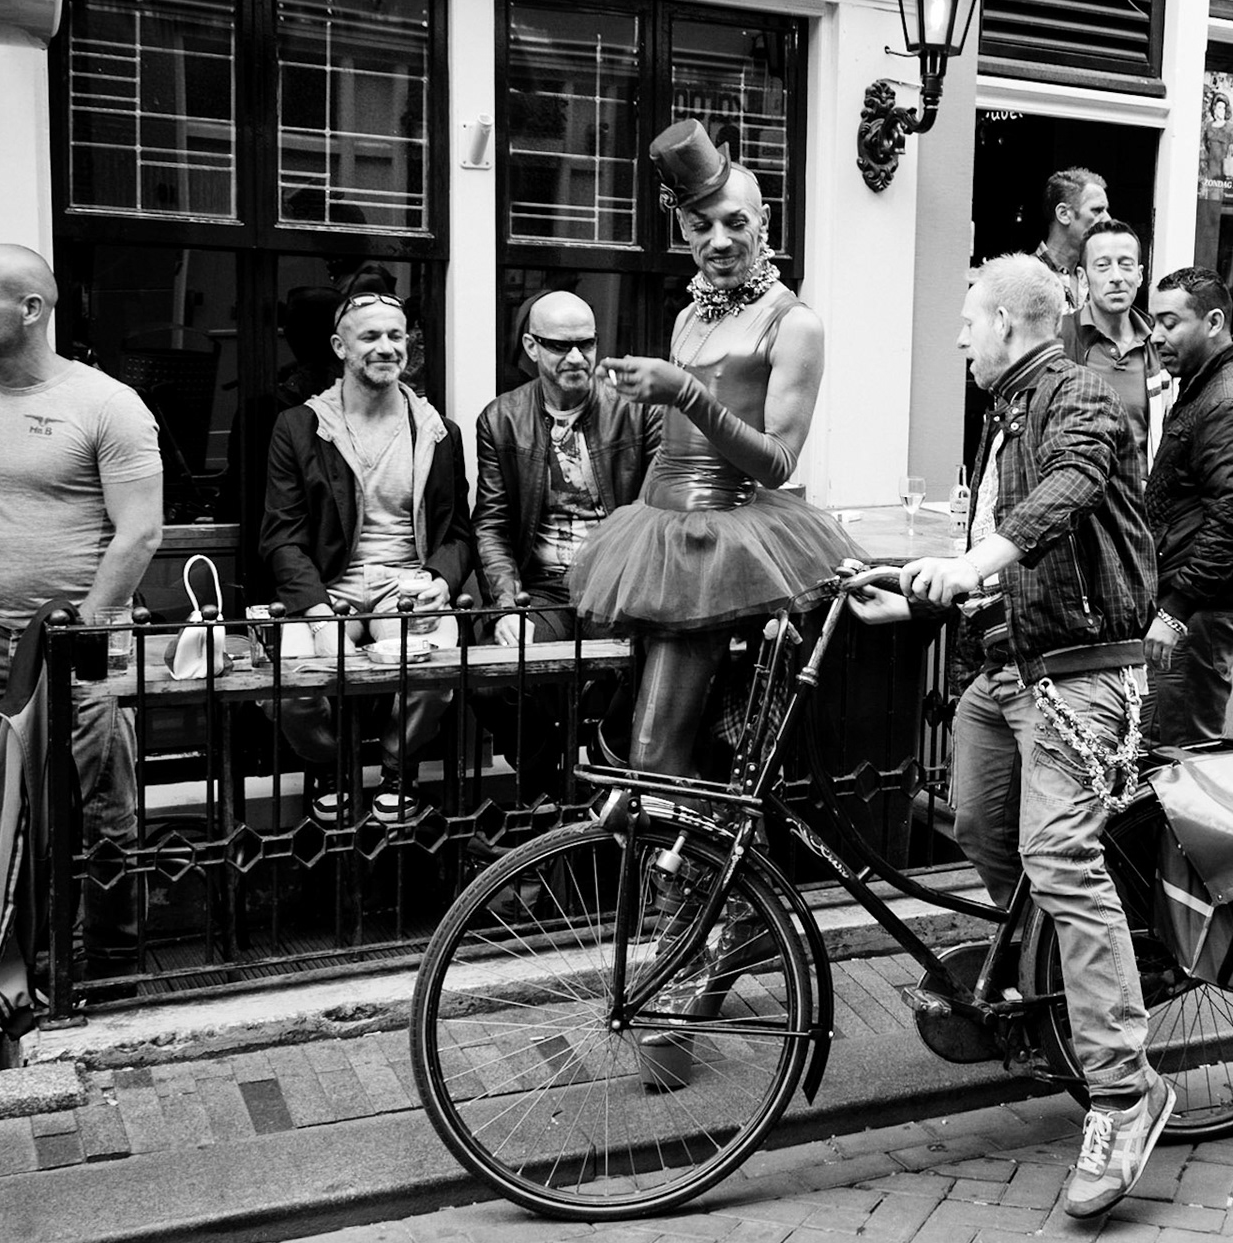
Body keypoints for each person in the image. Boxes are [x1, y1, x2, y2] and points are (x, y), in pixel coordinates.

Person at [855, 252, 1172, 1220]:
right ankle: (1057, 981)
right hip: (1008, 670)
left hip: (1080, 676)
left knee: (1059, 858)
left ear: (1008, 323)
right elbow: (1008, 550)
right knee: (980, 825)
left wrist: (978, 559)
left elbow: (1068, 491)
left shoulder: (1075, 395)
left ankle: (1123, 1087)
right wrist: (915, 586)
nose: (957, 338)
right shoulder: (1004, 414)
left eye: (967, 322)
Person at [0, 243, 164, 1032]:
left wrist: (85, 626)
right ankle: (28, 976)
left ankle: (109, 977)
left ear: (33, 310)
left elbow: (141, 532)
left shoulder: (107, 405)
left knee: (103, 812)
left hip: (89, 642)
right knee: (13, 811)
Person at [574, 119, 857, 779]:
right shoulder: (688, 316)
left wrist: (685, 393)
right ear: (683, 232)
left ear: (765, 223)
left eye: (734, 222)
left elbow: (779, 462)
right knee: (630, 749)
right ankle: (688, 873)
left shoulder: (796, 324)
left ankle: (673, 882)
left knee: (653, 755)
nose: (718, 240)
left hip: (717, 547)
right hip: (657, 537)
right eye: (701, 227)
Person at [258, 291, 475, 823]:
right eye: (371, 337)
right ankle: (333, 765)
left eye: (396, 336)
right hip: (327, 586)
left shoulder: (438, 431)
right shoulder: (300, 428)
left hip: (407, 584)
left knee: (434, 670)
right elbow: (280, 537)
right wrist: (316, 612)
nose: (386, 348)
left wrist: (440, 582)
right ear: (340, 347)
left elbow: (461, 533)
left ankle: (396, 764)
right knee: (294, 683)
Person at [471, 291, 659, 799]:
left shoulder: (638, 412)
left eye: (587, 344)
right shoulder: (500, 418)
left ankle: (606, 765)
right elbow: (489, 523)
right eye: (560, 346)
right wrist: (507, 608)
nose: (576, 358)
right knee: (491, 678)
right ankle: (549, 791)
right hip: (545, 592)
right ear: (531, 346)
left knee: (653, 660)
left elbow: (661, 513)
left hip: (622, 584)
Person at [1143, 266, 1233, 745]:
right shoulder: (1207, 384)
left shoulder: (1229, 401)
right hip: (1193, 604)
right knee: (1169, 748)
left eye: (1170, 323)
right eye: (1154, 322)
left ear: (1215, 321)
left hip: (1199, 611)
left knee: (1178, 757)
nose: (1156, 336)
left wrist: (1176, 610)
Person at [1059, 218, 1174, 470]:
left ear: (1140, 275)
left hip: (1141, 503)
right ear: (1083, 276)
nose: (1117, 277)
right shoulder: (1059, 339)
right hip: (1077, 500)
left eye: (1126, 265)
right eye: (1102, 266)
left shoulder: (1159, 345)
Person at [1034, 168, 1109, 315]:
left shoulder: (1096, 278)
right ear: (1063, 214)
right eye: (1097, 210)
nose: (1107, 219)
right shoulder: (1021, 277)